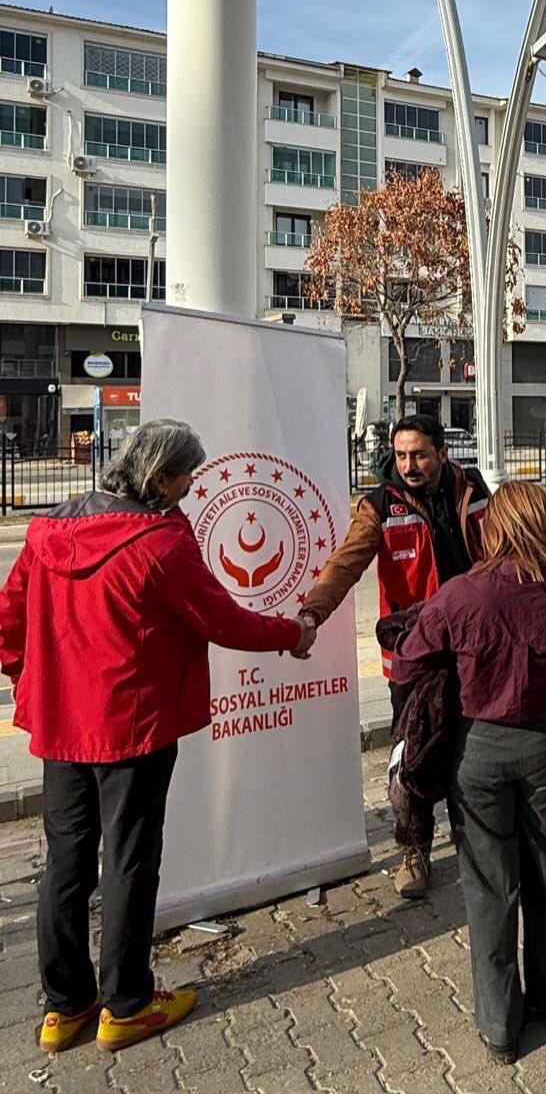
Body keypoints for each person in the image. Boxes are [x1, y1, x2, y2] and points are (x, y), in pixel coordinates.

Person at [0, 421, 312, 1055]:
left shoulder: (49, 531)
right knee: (129, 861)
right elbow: (220, 619)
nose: (192, 486)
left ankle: (65, 1008)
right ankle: (128, 1004)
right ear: (161, 478)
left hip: (63, 723)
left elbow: (8, 619)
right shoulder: (159, 541)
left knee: (64, 863)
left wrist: (29, 676)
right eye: (187, 475)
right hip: (131, 726)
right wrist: (293, 632)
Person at [391, 482, 546, 1064]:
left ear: (494, 527)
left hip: (476, 749)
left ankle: (501, 1025)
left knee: (488, 885)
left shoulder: (461, 595)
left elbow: (407, 663)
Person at [300, 414, 489, 898]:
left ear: (442, 452)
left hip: (475, 646)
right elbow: (347, 561)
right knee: (414, 756)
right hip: (415, 654)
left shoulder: (473, 489)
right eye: (401, 455)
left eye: (419, 454)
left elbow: (506, 547)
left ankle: (482, 843)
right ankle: (414, 849)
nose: (408, 465)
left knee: (479, 749)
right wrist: (312, 614)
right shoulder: (380, 504)